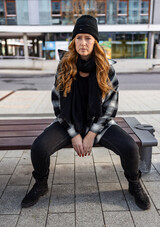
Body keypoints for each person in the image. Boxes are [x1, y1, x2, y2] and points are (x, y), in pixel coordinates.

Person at [21, 15, 150, 210]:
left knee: (130, 147)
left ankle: (134, 184)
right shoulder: (64, 66)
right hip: (68, 122)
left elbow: (110, 108)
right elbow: (58, 105)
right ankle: (41, 184)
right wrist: (74, 135)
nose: (83, 43)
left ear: (95, 41)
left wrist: (90, 135)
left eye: (88, 38)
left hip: (98, 124)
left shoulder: (106, 69)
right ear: (73, 41)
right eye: (79, 37)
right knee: (39, 147)